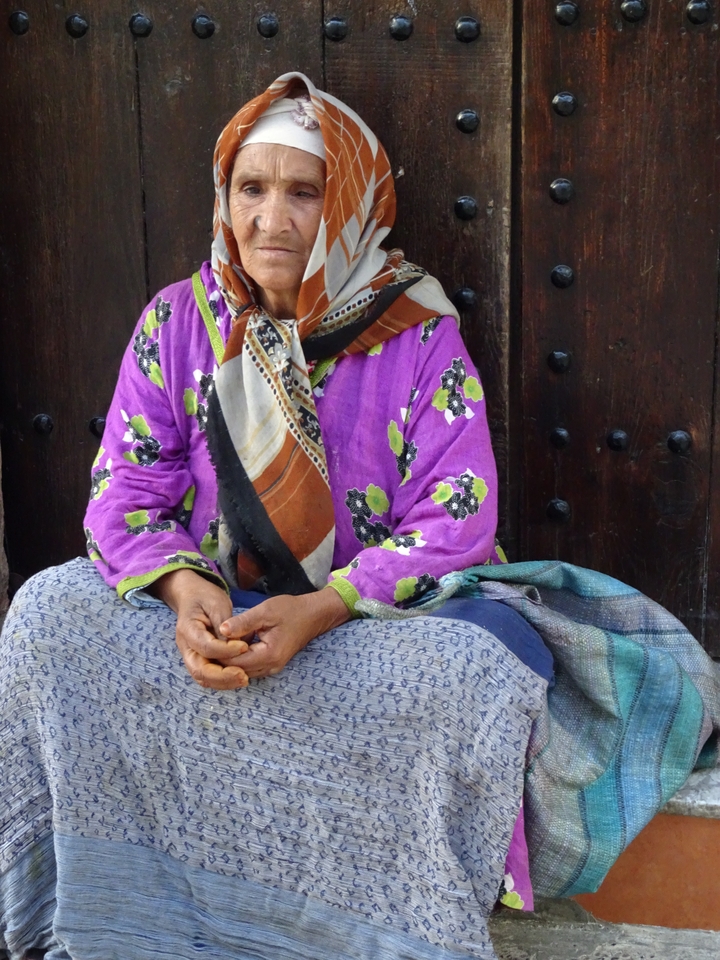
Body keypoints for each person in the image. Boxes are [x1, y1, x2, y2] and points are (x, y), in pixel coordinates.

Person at [1, 72, 717, 960]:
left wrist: (317, 610)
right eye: (250, 189)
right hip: (215, 615)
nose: (271, 219)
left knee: (470, 674)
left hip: (363, 627)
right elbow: (125, 490)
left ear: (349, 206)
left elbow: (455, 522)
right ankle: (129, 902)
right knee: (44, 614)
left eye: (305, 192)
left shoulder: (417, 334)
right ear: (224, 197)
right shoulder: (177, 322)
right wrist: (188, 597)